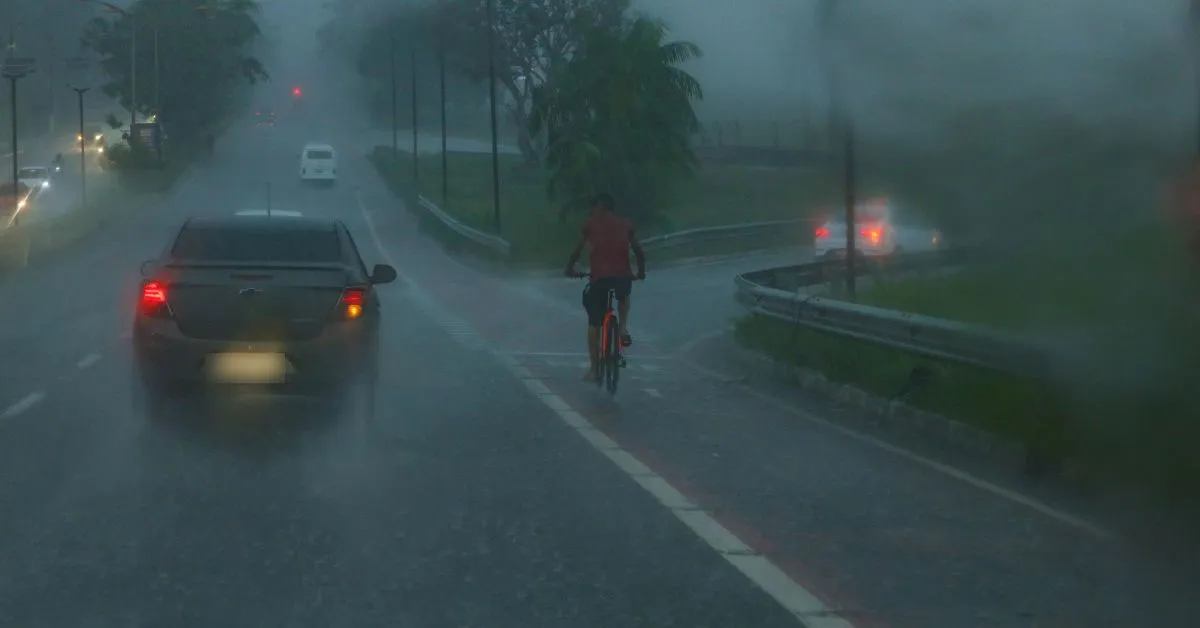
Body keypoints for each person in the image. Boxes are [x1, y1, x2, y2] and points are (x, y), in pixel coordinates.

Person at [564, 192, 646, 382]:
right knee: (624, 295)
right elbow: (639, 252)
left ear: (598, 207)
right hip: (622, 278)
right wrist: (640, 273)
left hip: (600, 279)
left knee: (594, 321)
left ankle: (594, 369)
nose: (591, 211)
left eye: (593, 208)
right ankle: (623, 328)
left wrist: (569, 269)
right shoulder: (626, 224)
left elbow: (576, 250)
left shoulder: (591, 224)